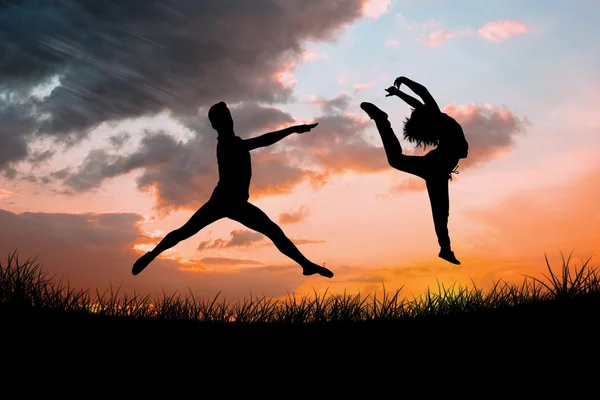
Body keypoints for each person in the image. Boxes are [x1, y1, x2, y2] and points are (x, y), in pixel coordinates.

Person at [132, 101, 334, 278]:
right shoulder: (228, 143)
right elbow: (263, 141)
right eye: (224, 118)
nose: (229, 120)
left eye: (229, 116)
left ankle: (306, 265)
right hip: (224, 201)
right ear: (215, 125)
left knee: (273, 231)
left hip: (237, 203)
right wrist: (291, 130)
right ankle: (152, 254)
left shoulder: (232, 141)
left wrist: (291, 130)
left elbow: (259, 141)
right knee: (185, 231)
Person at [360, 76, 468, 265]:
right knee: (440, 213)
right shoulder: (437, 118)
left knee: (440, 213)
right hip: (436, 168)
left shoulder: (435, 117)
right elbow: (421, 97)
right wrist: (402, 87)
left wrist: (402, 85)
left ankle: (445, 249)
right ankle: (381, 119)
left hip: (436, 169)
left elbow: (420, 97)